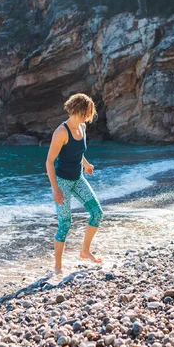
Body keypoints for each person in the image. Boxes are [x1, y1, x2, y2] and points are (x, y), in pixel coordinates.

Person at [46, 93, 104, 273]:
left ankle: (85, 251)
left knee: (97, 213)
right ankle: (58, 266)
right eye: (88, 111)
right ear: (80, 110)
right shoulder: (61, 132)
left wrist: (86, 165)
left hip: (78, 179)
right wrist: (56, 190)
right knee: (65, 223)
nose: (89, 116)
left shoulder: (82, 127)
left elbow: (78, 152)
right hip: (62, 182)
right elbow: (49, 162)